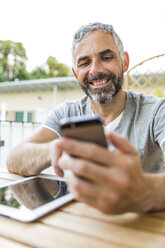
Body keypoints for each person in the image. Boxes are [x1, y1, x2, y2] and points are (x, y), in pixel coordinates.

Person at [7, 22, 165, 214]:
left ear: (124, 62)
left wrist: (142, 191)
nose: (95, 70)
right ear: (75, 73)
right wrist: (56, 148)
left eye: (106, 57)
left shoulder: (157, 111)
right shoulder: (65, 113)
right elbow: (14, 159)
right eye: (84, 63)